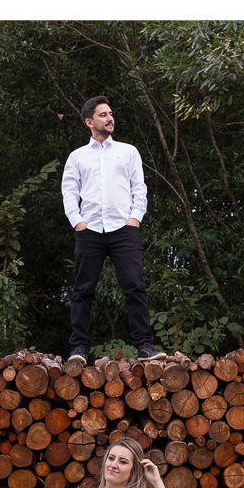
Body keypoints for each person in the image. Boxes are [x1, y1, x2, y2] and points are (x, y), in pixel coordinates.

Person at [61, 95, 167, 365]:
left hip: (124, 229)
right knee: (83, 291)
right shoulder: (77, 157)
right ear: (89, 122)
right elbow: (69, 193)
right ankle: (79, 350)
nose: (110, 118)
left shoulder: (128, 151)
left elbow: (139, 188)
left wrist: (135, 219)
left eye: (110, 113)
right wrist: (78, 223)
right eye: (103, 114)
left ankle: (145, 346)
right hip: (90, 231)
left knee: (135, 287)